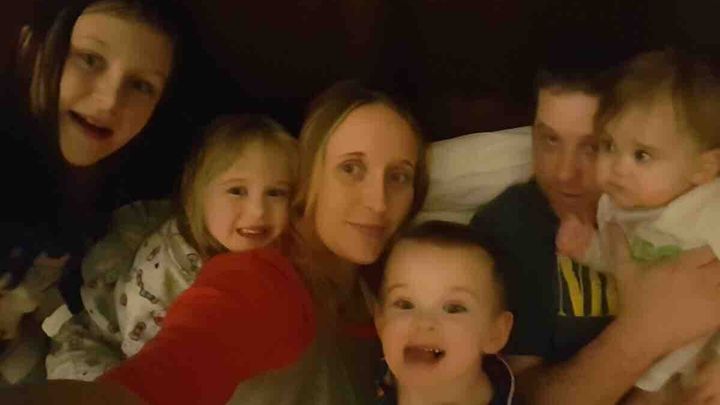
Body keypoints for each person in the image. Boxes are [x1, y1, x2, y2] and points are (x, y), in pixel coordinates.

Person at [3, 80, 429, 405]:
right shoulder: (266, 281)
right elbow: (168, 372)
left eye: (399, 176)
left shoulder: (390, 285)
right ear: (307, 177)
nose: (378, 203)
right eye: (351, 168)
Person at [469, 64, 720, 405]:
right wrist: (643, 332)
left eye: (592, 146)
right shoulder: (513, 226)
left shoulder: (693, 206)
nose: (564, 173)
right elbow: (521, 397)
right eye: (549, 140)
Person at [0, 0, 185, 385]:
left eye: (140, 85)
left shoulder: (125, 192)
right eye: (89, 59)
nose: (109, 101)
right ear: (31, 48)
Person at [45, 114, 298, 380]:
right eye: (237, 191)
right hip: (101, 346)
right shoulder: (169, 268)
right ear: (199, 194)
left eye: (276, 193)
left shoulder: (277, 248)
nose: (258, 211)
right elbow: (145, 358)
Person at [555, 49, 720, 401]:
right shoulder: (616, 207)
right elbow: (627, 265)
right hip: (660, 366)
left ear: (703, 168)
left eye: (641, 155)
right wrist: (588, 250)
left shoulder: (709, 212)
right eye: (609, 146)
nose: (616, 167)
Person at [374, 220, 514, 405]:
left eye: (453, 308)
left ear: (495, 333)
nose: (424, 322)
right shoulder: (356, 379)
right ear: (380, 321)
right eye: (405, 304)